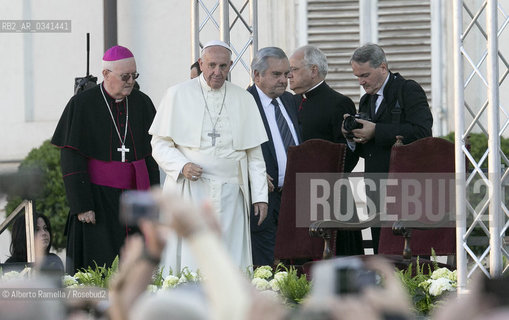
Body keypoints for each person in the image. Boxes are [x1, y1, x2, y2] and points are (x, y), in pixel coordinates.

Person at [149, 40, 268, 273]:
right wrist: (182, 165)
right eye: (212, 65)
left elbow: (254, 155)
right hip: (190, 190)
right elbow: (159, 144)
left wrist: (260, 196)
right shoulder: (177, 94)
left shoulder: (243, 98)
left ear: (231, 65)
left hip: (231, 194)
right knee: (192, 255)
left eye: (223, 66)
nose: (217, 72)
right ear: (201, 64)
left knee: (229, 255)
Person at [51, 45, 160, 274]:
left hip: (135, 200)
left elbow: (151, 156)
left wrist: (154, 202)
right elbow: (71, 157)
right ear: (106, 74)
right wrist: (82, 205)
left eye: (134, 75)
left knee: (138, 266)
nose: (130, 81)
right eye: (124, 76)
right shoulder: (82, 104)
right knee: (99, 266)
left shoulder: (142, 103)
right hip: (98, 201)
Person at [345, 43, 433, 252]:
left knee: (406, 250)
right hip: (375, 186)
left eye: (365, 75)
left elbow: (422, 132)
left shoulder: (407, 89)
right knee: (379, 248)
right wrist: (353, 136)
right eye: (357, 76)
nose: (361, 82)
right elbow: (369, 146)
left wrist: (376, 131)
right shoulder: (367, 99)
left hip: (406, 186)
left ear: (383, 68)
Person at [288, 45, 363, 256]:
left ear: (313, 70)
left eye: (293, 69)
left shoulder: (339, 103)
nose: (288, 75)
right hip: (295, 194)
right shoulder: (288, 102)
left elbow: (349, 155)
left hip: (330, 195)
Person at [247, 47, 300, 266]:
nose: (284, 80)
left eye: (286, 74)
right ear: (257, 75)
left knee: (294, 265)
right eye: (276, 74)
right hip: (264, 199)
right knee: (266, 268)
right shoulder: (244, 102)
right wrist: (254, 174)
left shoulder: (290, 101)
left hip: (293, 198)